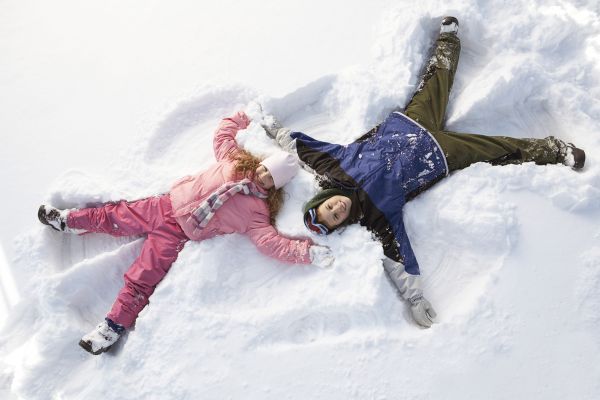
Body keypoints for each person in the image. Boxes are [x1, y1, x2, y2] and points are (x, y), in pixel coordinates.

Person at [261, 17, 586, 328]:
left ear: (326, 198)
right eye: (335, 218)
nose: (337, 209)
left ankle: (449, 37)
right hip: (439, 154)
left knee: (436, 79)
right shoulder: (377, 216)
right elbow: (398, 258)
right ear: (342, 223)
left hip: (412, 122)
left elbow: (302, 149)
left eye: (329, 207)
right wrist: (414, 299)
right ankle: (557, 150)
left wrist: (275, 130)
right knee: (497, 148)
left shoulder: (337, 166)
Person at [38, 111, 335, 355]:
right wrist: (243, 117)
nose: (264, 176)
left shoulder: (257, 212)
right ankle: (68, 221)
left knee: (143, 278)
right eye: (266, 170)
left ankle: (111, 328)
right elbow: (222, 136)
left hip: (178, 234)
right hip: (164, 206)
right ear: (261, 164)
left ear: (276, 187)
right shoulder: (234, 161)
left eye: (271, 178)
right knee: (113, 216)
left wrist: (305, 252)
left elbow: (271, 244)